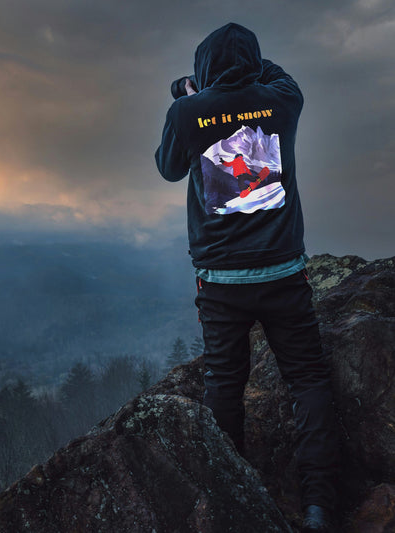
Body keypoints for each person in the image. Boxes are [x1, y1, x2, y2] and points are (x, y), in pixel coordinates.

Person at [155, 22, 340, 533]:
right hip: (283, 272)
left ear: (203, 66)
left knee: (224, 384)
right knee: (308, 379)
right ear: (255, 63)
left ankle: (233, 503)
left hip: (221, 281)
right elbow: (274, 75)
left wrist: (194, 92)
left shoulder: (186, 112)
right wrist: (240, 76)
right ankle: (319, 507)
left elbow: (168, 168)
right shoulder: (282, 100)